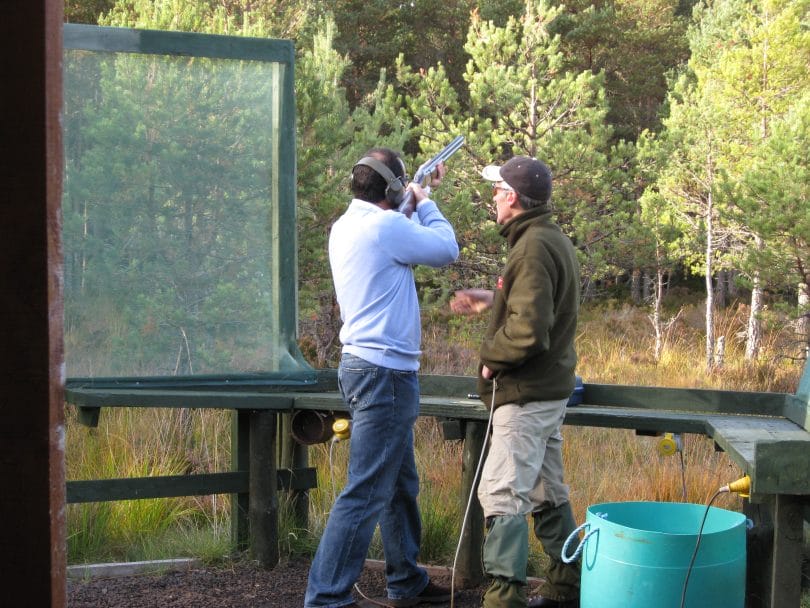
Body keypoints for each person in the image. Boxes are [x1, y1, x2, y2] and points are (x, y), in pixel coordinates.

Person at [304, 147, 459, 608]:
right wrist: (425, 201)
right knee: (368, 490)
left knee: (397, 485)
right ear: (392, 188)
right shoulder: (385, 225)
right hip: (385, 374)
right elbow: (446, 249)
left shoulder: (350, 224)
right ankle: (327, 597)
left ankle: (406, 580)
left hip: (362, 368)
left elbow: (398, 235)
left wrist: (411, 198)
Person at [450, 156, 582, 608]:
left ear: (511, 197)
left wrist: (490, 357)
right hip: (547, 392)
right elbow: (542, 303)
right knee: (548, 492)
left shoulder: (531, 247)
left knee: (503, 495)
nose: (492, 199)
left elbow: (528, 331)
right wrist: (495, 298)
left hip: (526, 396)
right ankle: (568, 589)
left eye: (495, 191)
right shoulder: (548, 239)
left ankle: (504, 599)